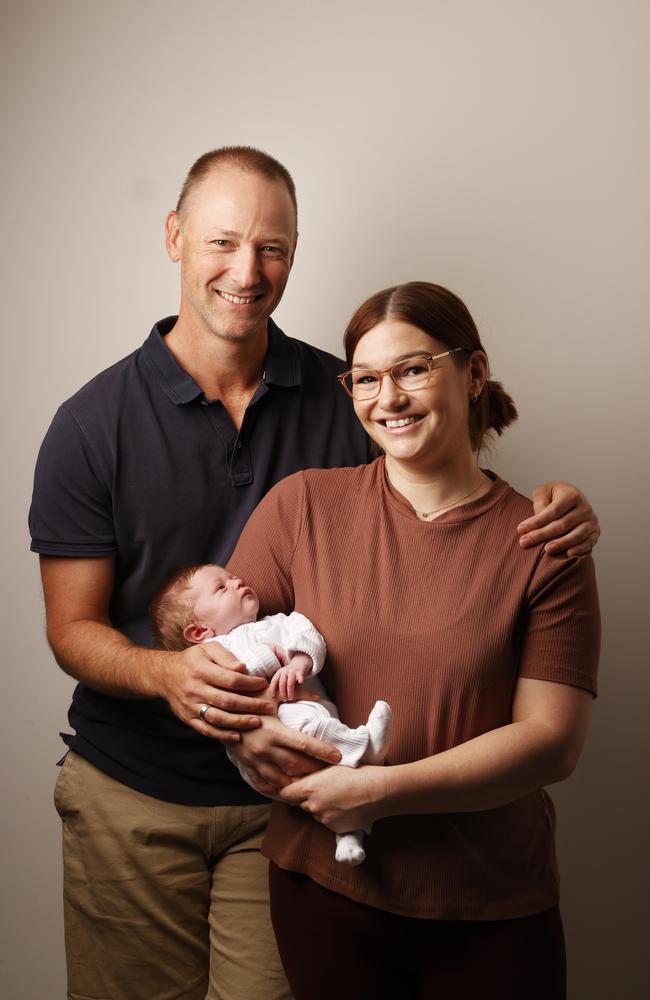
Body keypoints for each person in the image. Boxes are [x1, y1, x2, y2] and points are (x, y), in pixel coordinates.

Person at [29, 146, 600, 1000]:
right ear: (175, 237)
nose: (247, 271)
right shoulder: (92, 424)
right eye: (223, 242)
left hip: (291, 803)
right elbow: (72, 629)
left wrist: (556, 506)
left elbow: (431, 480)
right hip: (138, 790)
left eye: (273, 249)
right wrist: (179, 680)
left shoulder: (342, 404)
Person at [224, 282, 600, 1000]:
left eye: (414, 369)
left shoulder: (547, 544)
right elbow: (223, 658)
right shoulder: (302, 507)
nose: (387, 397)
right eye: (366, 378)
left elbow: (554, 743)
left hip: (489, 906)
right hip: (323, 891)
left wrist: (378, 793)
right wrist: (245, 738)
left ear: (476, 373)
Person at [151, 562, 392, 865]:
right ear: (200, 630)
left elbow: (306, 632)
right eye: (222, 587)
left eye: (233, 577)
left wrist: (298, 663)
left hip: (306, 709)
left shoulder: (277, 622)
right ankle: (355, 790)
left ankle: (352, 809)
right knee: (311, 789)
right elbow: (231, 680)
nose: (237, 581)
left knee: (311, 735)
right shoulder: (213, 650)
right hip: (261, 750)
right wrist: (270, 656)